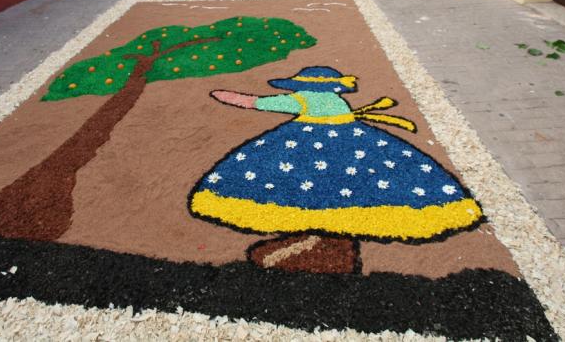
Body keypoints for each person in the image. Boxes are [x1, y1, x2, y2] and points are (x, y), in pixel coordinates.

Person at [188, 66, 483, 273]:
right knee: (362, 185)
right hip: (355, 138)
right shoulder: (337, 99)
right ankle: (328, 245)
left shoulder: (300, 98)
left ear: (302, 86)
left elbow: (258, 103)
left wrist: (226, 95)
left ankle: (318, 245)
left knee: (300, 183)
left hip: (305, 140)